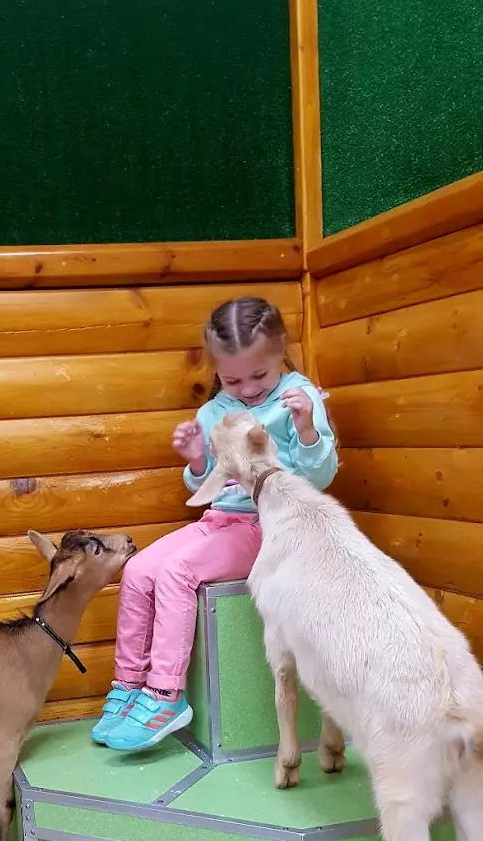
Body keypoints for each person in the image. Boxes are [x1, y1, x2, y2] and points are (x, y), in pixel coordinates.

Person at [92, 295, 338, 753]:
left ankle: (165, 694)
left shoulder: (297, 398)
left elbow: (319, 477)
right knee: (140, 569)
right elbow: (208, 484)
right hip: (220, 518)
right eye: (231, 378)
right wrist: (198, 459)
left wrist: (305, 428)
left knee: (177, 571)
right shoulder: (214, 411)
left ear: (281, 350)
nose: (245, 389)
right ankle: (129, 687)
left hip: (273, 526)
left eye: (258, 376)